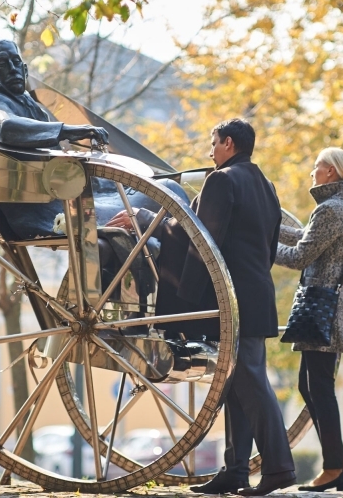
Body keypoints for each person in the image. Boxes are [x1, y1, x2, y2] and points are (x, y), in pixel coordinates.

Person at [107, 119, 296, 496]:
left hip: (230, 300)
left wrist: (144, 219)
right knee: (238, 383)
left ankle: (278, 467)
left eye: (213, 144)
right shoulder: (267, 186)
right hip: (258, 293)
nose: (210, 152)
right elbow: (270, 245)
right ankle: (237, 470)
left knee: (252, 383)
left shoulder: (221, 180)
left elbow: (198, 237)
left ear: (228, 143)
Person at [275, 147, 343, 492]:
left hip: (321, 307)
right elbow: (305, 238)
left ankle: (331, 467)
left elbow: (299, 256)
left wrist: (263, 249)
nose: (311, 172)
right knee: (310, 385)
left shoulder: (329, 210)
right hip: (332, 307)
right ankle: (340, 462)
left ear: (330, 172)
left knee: (320, 389)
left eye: (316, 167)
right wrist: (272, 227)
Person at [0, 38, 108, 149]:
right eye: (2, 64)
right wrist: (70, 131)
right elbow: (7, 126)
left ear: (25, 69)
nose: (13, 69)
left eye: (16, 62)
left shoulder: (26, 101)